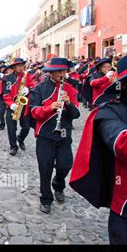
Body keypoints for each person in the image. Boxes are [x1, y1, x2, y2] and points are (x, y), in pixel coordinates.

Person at [70, 51, 127, 244]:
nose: (107, 69)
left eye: (109, 67)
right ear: (124, 84)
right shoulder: (109, 113)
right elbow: (122, 145)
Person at [29, 58, 80, 214]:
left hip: (64, 134)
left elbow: (76, 115)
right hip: (45, 135)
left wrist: (69, 103)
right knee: (45, 168)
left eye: (64, 71)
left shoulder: (69, 89)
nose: (62, 74)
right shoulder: (39, 89)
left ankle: (58, 184)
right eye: (59, 71)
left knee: (65, 165)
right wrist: (50, 107)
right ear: (51, 72)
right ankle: (45, 198)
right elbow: (34, 112)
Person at [3, 58, 34, 155]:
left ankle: (20, 138)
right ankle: (13, 146)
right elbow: (6, 93)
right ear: (14, 67)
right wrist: (11, 104)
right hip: (12, 106)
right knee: (11, 129)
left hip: (24, 106)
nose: (21, 67)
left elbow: (34, 87)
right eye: (19, 65)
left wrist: (29, 89)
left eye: (22, 65)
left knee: (26, 127)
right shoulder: (8, 79)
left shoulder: (27, 76)